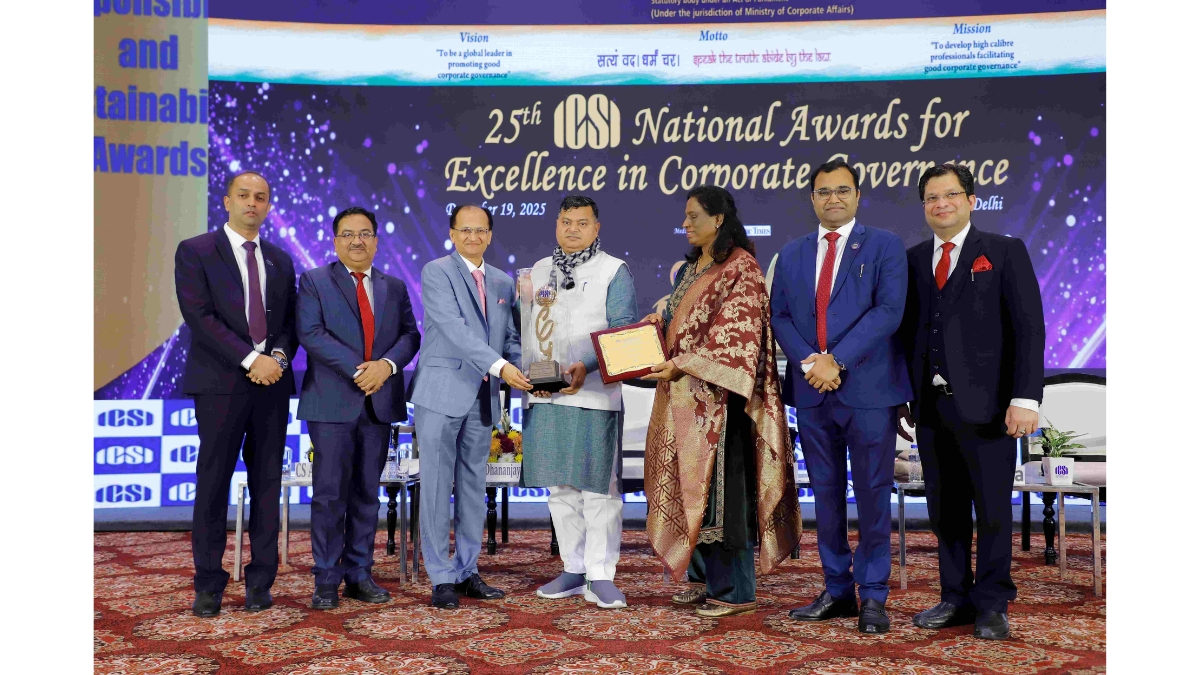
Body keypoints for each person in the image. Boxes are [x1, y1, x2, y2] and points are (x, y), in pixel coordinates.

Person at [898, 163, 1045, 640]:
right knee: (946, 510)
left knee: (994, 510)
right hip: (931, 408)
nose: (941, 204)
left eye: (951, 195)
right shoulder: (912, 260)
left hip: (992, 408)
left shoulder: (1003, 251)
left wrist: (1026, 398)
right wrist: (903, 396)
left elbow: (1029, 328)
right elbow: (905, 335)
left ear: (971, 200)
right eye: (931, 197)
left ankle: (993, 603)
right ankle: (955, 597)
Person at [642, 185, 802, 618]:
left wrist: (683, 362)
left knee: (724, 499)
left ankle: (735, 592)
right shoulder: (692, 268)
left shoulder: (741, 267)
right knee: (688, 491)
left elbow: (737, 338)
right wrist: (655, 328)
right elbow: (682, 328)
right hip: (682, 401)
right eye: (685, 216)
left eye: (694, 216)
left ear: (719, 219)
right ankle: (700, 579)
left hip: (723, 404)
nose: (685, 223)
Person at [771, 159, 912, 634]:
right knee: (826, 495)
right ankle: (836, 589)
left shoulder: (885, 245)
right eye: (824, 191)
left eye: (843, 190)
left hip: (869, 391)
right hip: (813, 392)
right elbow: (780, 317)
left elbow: (888, 312)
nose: (833, 198)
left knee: (873, 495)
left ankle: (873, 595)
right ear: (812, 198)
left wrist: (837, 360)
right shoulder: (791, 253)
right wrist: (811, 363)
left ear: (857, 196)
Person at [174, 171, 297, 617]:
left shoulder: (280, 259)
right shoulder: (196, 250)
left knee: (267, 485)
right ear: (227, 201)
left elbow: (289, 322)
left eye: (260, 197)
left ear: (268, 206)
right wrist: (251, 359)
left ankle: (261, 581)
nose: (252, 203)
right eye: (243, 195)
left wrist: (276, 359)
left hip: (272, 387)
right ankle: (208, 583)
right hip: (220, 385)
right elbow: (199, 316)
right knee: (213, 483)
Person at [297, 206, 421, 610]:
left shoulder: (393, 286)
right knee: (329, 495)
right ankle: (326, 578)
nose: (357, 241)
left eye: (365, 234)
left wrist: (385, 366)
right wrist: (361, 370)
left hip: (378, 404)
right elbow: (311, 333)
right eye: (348, 234)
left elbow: (410, 336)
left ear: (376, 241)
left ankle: (359, 574)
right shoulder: (314, 281)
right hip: (331, 403)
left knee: (368, 494)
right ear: (335, 241)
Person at [410, 204, 533, 609]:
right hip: (441, 394)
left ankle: (466, 570)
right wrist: (501, 367)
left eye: (480, 230)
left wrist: (531, 368)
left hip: (483, 396)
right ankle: (441, 576)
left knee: (472, 487)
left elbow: (510, 336)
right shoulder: (436, 272)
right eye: (465, 230)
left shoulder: (502, 281)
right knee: (435, 487)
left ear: (490, 235)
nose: (473, 237)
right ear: (452, 234)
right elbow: (454, 330)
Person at [521, 196, 638, 609]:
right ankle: (573, 568)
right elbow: (526, 329)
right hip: (546, 396)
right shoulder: (536, 271)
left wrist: (584, 367)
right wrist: (529, 376)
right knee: (560, 488)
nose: (573, 229)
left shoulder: (613, 270)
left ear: (596, 228)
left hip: (593, 394)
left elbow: (623, 330)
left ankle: (600, 575)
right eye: (566, 221)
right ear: (556, 224)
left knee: (598, 488)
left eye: (582, 222)